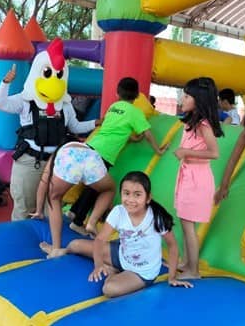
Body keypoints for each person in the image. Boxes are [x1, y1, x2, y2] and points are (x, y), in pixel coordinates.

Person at [34, 77, 168, 258]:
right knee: (107, 189)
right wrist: (158, 150)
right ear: (137, 95)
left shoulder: (113, 107)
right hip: (97, 157)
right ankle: (90, 221)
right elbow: (148, 133)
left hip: (81, 148)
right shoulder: (136, 112)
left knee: (55, 198)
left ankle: (57, 245)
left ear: (117, 93)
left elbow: (112, 130)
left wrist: (38, 208)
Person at [0, 38, 98, 221]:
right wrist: (5, 83)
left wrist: (94, 123)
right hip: (29, 161)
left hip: (55, 164)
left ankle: (48, 243)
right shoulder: (26, 100)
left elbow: (74, 126)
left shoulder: (65, 105)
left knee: (52, 206)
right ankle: (20, 243)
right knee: (24, 207)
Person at [41, 171, 192, 296]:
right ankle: (61, 251)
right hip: (120, 254)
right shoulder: (118, 211)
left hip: (141, 272)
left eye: (137, 195)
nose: (131, 200)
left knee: (109, 289)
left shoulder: (156, 218)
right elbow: (100, 240)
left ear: (148, 198)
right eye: (126, 193)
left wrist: (172, 277)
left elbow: (172, 246)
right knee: (75, 244)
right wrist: (98, 265)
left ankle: (113, 272)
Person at [174, 77, 223, 279]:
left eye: (187, 96)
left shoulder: (203, 124)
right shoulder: (192, 122)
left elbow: (214, 153)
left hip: (197, 178)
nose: (182, 99)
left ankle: (193, 271)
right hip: (189, 176)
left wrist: (186, 152)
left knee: (188, 225)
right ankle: (187, 262)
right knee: (185, 222)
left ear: (199, 100)